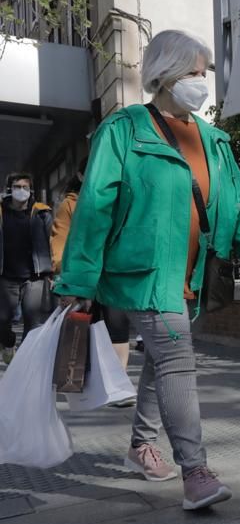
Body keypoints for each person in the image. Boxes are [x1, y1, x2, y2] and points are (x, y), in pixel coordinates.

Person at [54, 29, 240, 510]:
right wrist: (77, 280)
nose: (202, 83)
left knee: (161, 361)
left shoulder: (213, 139)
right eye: (194, 73)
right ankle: (195, 471)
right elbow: (95, 207)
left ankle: (140, 447)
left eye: (204, 74)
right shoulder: (126, 129)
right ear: (165, 73)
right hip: (145, 275)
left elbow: (237, 206)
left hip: (192, 277)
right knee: (178, 359)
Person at [51, 158, 136, 408]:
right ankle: (80, 380)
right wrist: (64, 277)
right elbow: (60, 241)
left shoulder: (118, 199)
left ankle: (117, 387)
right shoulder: (71, 204)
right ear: (79, 174)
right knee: (83, 328)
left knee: (117, 327)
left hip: (113, 275)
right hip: (83, 277)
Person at [0, 172, 56, 363]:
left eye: (25, 187)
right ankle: (7, 343)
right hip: (6, 277)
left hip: (35, 277)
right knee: (2, 319)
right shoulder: (1, 212)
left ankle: (23, 363)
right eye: (17, 187)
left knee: (32, 321)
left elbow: (53, 241)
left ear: (30, 189)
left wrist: (54, 269)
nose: (21, 191)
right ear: (9, 189)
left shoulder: (42, 212)